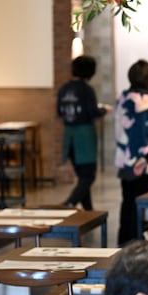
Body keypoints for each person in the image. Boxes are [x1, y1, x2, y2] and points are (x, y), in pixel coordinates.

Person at [114, 60, 148, 245]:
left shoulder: (122, 99)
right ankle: (140, 244)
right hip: (146, 164)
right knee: (143, 206)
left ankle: (124, 242)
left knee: (127, 203)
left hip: (126, 161)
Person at [57, 55, 111, 210]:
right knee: (88, 176)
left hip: (69, 136)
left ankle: (89, 212)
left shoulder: (64, 88)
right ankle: (70, 203)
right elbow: (92, 112)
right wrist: (104, 110)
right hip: (84, 137)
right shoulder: (87, 90)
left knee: (82, 176)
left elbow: (60, 112)